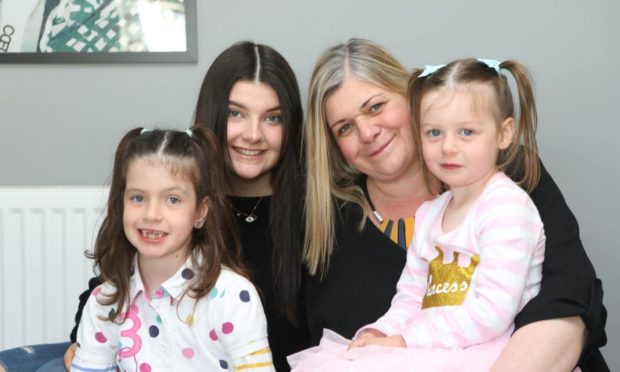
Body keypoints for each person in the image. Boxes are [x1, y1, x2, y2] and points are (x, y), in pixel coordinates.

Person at [0, 41, 307, 372]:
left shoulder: (308, 214)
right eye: (235, 113)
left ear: (201, 212)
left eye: (272, 118)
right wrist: (89, 342)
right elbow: (111, 290)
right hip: (144, 349)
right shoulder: (172, 190)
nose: (253, 134)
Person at [302, 39, 607, 371]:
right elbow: (409, 296)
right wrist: (383, 331)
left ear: (412, 99)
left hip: (496, 354)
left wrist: (407, 340)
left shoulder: (509, 187)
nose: (367, 132)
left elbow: (569, 294)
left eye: (375, 107)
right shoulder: (426, 214)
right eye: (345, 127)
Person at [70, 127, 274, 371]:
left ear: (200, 212)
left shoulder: (233, 297)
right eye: (138, 198)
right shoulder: (103, 302)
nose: (152, 214)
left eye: (173, 200)